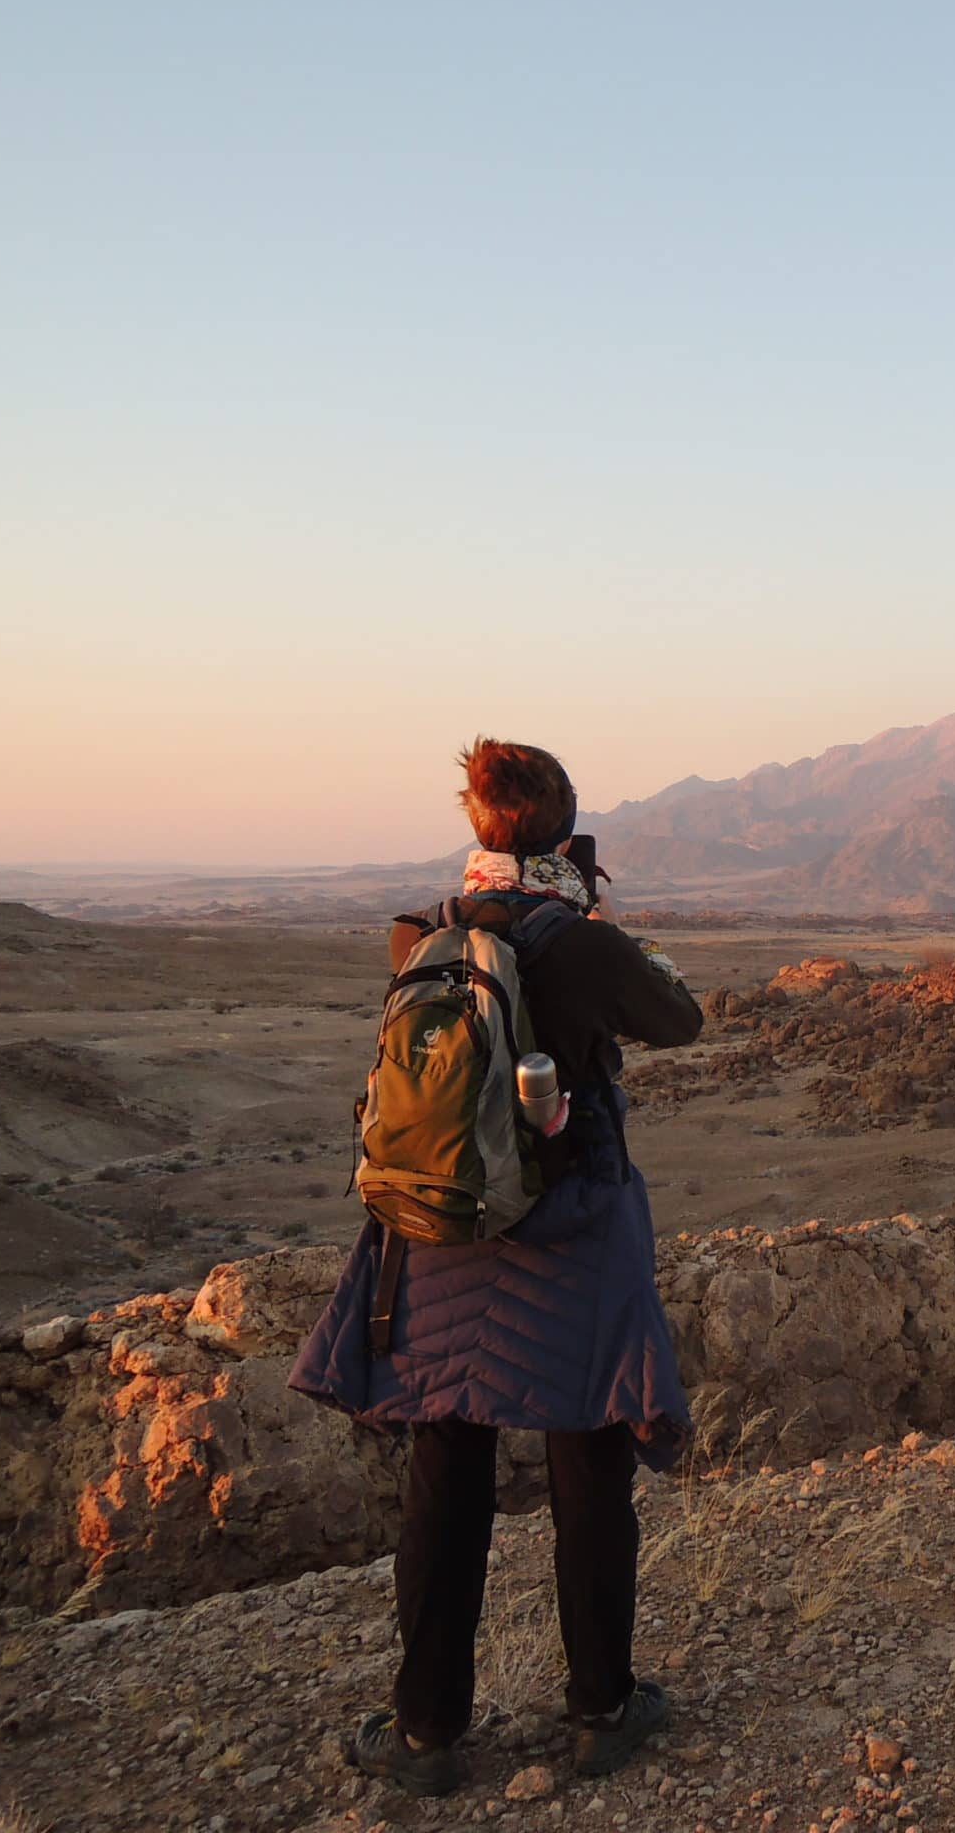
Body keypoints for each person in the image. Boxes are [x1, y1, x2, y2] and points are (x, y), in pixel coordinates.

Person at [292, 739, 705, 1797]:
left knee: (447, 1474)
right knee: (588, 1464)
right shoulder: (579, 941)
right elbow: (681, 1020)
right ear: (561, 828)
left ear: (479, 824)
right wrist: (602, 924)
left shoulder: (420, 934)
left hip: (441, 1237)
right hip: (570, 1238)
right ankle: (601, 1711)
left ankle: (426, 1733)